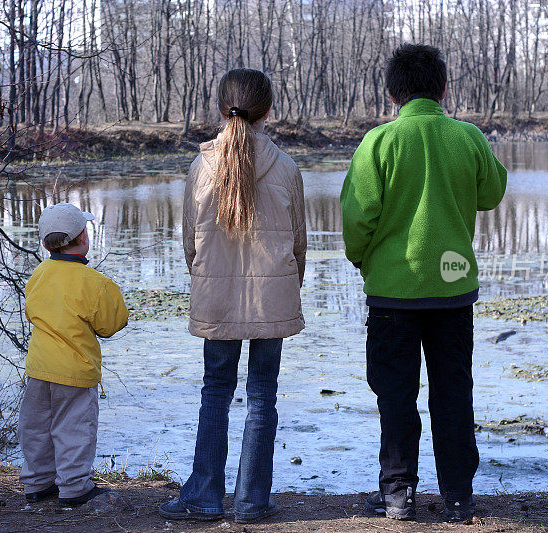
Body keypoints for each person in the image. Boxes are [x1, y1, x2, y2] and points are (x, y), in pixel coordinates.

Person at [340, 44, 507, 522]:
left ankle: (398, 495)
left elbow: (357, 217)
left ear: (393, 93)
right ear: (444, 89)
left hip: (393, 291)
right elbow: (493, 192)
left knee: (395, 394)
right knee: (453, 392)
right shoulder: (467, 136)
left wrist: (364, 260)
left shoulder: (379, 142)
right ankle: (458, 497)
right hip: (453, 290)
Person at [159, 68, 307, 524]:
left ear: (221, 110)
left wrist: (208, 280)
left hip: (216, 298)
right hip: (272, 299)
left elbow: (189, 244)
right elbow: (299, 245)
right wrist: (286, 285)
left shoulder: (201, 166)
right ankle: (251, 501)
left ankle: (204, 495)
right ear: (268, 111)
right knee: (263, 395)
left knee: (215, 392)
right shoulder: (285, 166)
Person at [19, 202, 129, 507]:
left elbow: (32, 311)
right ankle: (74, 487)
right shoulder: (95, 283)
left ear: (45, 242)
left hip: (39, 368)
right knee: (74, 429)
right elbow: (110, 325)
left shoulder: (38, 275)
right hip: (76, 372)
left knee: (37, 428)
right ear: (83, 238)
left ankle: (37, 484)